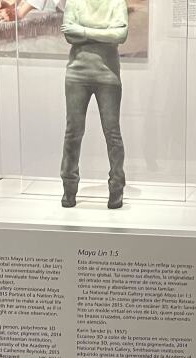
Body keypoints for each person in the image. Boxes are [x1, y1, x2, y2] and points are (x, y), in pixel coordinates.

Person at [59, 0, 128, 209]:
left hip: (108, 75)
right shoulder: (74, 2)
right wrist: (104, 32)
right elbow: (69, 35)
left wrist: (82, 31)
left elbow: (120, 36)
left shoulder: (117, 2)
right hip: (76, 74)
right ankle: (69, 188)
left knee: (112, 133)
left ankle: (116, 187)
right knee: (73, 132)